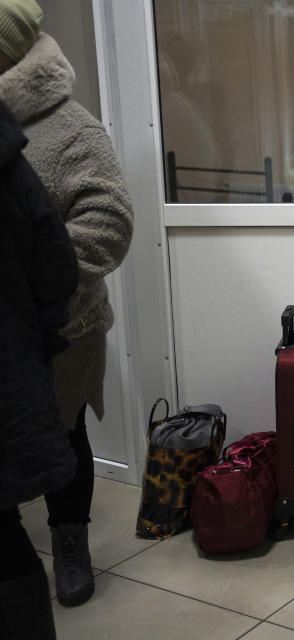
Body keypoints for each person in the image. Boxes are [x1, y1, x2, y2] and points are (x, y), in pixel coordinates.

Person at [0, 0, 134, 607]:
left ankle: (70, 539)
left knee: (63, 433)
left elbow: (109, 221)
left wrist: (35, 281)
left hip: (64, 329)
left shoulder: (69, 126)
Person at [0, 97, 79, 638]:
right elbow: (53, 262)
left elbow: (64, 257)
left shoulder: (71, 125)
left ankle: (73, 541)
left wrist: (46, 329)